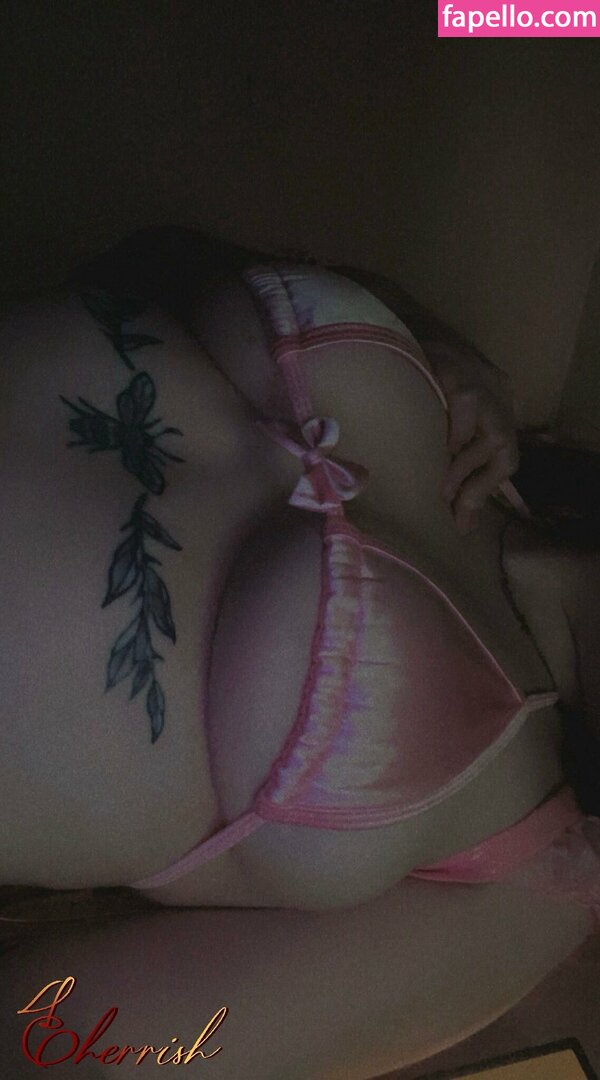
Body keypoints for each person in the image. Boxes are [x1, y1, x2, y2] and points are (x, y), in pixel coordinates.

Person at [0, 229, 598, 1078]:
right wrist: (435, 338)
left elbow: (56, 1050)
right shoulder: (488, 427)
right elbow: (141, 259)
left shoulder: (529, 880)